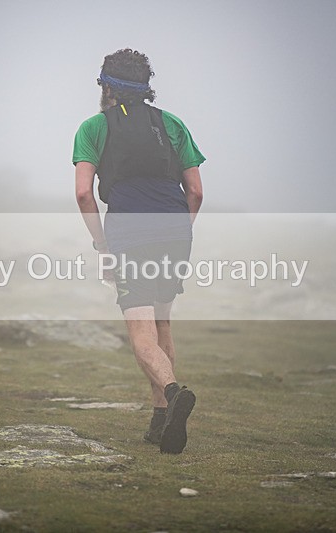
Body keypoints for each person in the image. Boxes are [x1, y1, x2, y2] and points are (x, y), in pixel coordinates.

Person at [72, 48, 205, 454]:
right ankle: (160, 421)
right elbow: (196, 192)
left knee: (142, 335)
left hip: (130, 235)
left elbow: (83, 194)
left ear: (107, 88)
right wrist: (179, 230)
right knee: (163, 324)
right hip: (175, 230)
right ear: (146, 88)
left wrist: (103, 245)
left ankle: (173, 392)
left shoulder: (93, 128)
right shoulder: (172, 124)